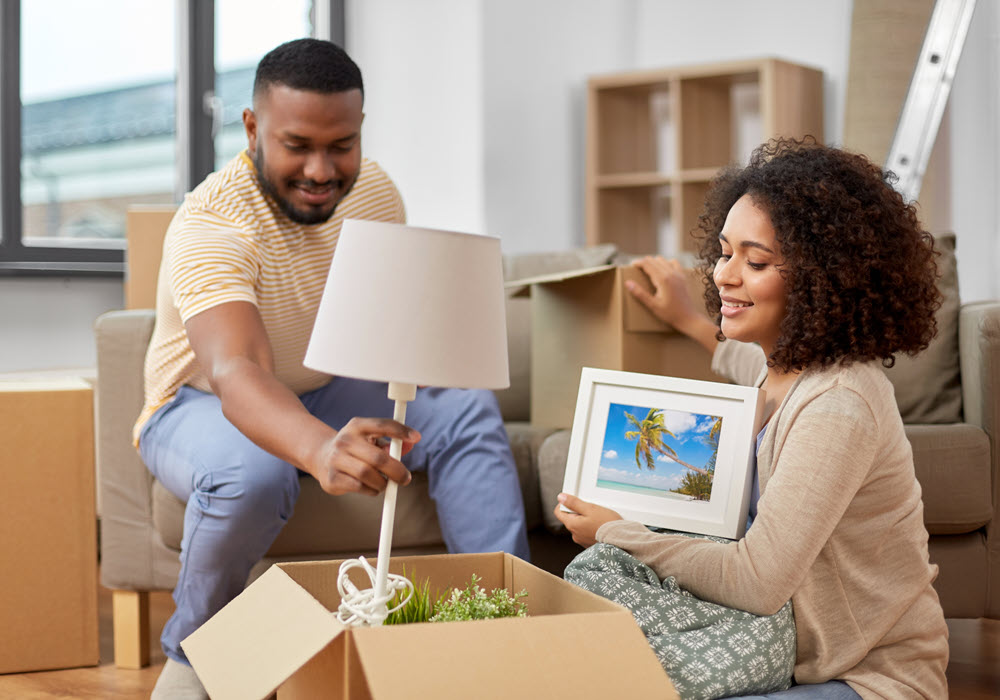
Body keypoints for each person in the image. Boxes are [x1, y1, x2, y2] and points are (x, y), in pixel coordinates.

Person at [137, 38, 529, 699]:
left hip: (322, 386)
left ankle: (496, 630)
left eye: (340, 145)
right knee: (254, 472)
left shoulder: (375, 193)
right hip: (195, 404)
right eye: (297, 145)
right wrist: (319, 447)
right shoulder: (211, 223)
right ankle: (192, 659)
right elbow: (237, 368)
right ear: (254, 129)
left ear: (360, 133)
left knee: (465, 408)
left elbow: (382, 319)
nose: (322, 169)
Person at [554, 137, 949, 698]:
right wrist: (687, 319)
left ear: (821, 278)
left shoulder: (840, 402)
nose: (724, 275)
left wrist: (618, 531)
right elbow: (735, 355)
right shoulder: (779, 366)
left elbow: (758, 582)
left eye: (755, 261)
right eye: (724, 252)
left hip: (867, 678)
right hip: (785, 659)